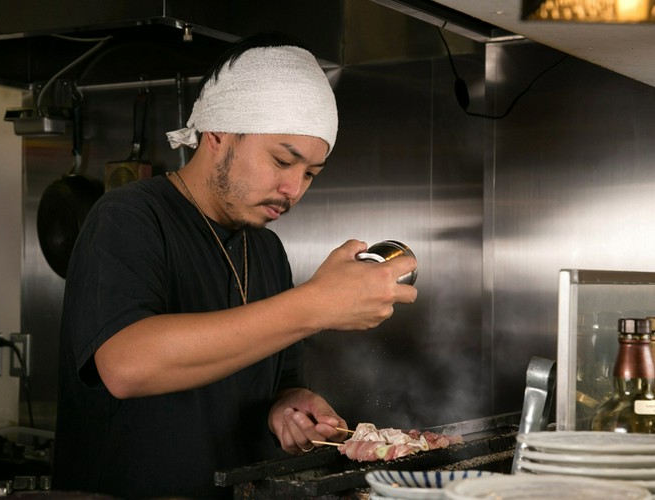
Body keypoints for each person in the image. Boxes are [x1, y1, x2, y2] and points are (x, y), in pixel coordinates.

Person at [52, 32, 418, 499]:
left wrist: (289, 408)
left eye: (309, 173)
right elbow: (126, 366)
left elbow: (278, 383)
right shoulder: (129, 216)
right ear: (217, 133)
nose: (294, 189)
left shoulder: (265, 250)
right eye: (283, 160)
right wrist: (316, 304)